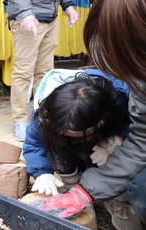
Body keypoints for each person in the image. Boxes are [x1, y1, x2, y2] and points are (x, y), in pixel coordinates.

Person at [32, 0, 146, 228]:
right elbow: (142, 137)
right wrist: (81, 189)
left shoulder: (116, 101)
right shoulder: (46, 117)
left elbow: (129, 127)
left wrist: (117, 141)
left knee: (137, 191)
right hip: (80, 168)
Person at [24, 69, 130, 196]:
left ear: (101, 121)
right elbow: (34, 144)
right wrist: (42, 173)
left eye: (82, 136)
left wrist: (120, 138)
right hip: (69, 150)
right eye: (70, 137)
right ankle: (72, 184)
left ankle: (112, 195)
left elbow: (139, 126)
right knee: (55, 148)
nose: (78, 141)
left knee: (115, 179)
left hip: (104, 139)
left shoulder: (120, 99)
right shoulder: (46, 113)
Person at [7, 0, 79, 141]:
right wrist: (26, 14)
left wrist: (69, 7)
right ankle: (19, 121)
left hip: (51, 20)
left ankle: (42, 115)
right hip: (29, 18)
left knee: (45, 72)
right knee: (23, 72)